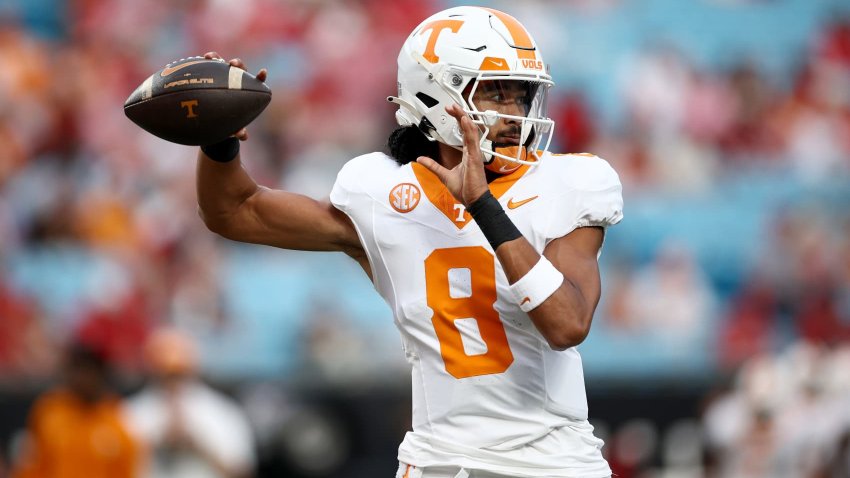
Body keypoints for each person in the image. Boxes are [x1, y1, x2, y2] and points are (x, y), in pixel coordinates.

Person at [195, 6, 622, 478]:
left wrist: (483, 205)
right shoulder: (381, 191)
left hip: (554, 464)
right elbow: (235, 212)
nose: (513, 113)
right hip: (438, 460)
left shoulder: (570, 180)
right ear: (435, 96)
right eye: (495, 93)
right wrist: (219, 143)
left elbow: (567, 323)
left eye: (520, 95)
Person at [124, 327, 256, 478]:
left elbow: (242, 472)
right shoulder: (131, 413)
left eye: (179, 374)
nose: (172, 382)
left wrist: (196, 445)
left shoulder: (222, 412)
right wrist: (157, 443)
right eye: (165, 374)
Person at [11, 342, 141, 478]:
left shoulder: (117, 417)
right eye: (76, 369)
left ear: (101, 373)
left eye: (88, 370)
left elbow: (126, 469)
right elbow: (31, 463)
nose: (80, 378)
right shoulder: (50, 409)